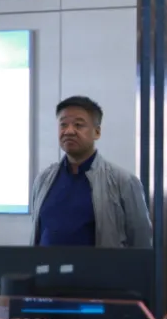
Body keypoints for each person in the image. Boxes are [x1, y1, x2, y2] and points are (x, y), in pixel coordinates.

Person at [30, 96, 151, 248]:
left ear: (97, 132)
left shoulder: (123, 182)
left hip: (101, 264)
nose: (69, 131)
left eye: (78, 125)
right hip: (47, 264)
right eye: (63, 125)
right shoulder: (43, 180)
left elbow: (141, 243)